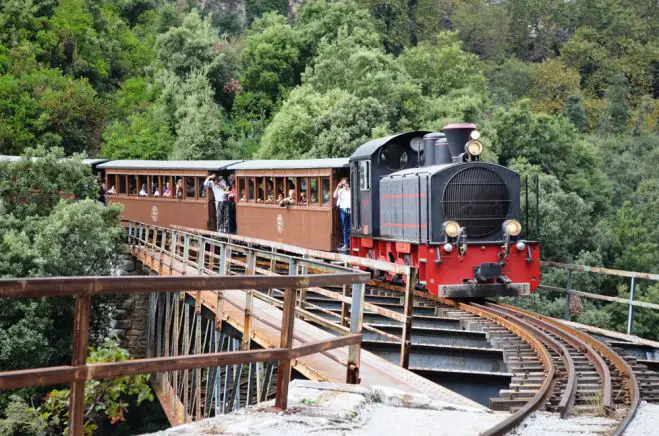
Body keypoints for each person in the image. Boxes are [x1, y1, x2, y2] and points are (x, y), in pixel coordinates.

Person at [334, 177, 351, 252]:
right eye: (343, 184)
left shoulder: (351, 190)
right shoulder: (340, 191)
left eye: (345, 183)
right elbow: (334, 196)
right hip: (343, 210)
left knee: (350, 228)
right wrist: (338, 186)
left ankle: (350, 243)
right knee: (344, 228)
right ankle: (346, 244)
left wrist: (347, 187)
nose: (344, 185)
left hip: (350, 210)